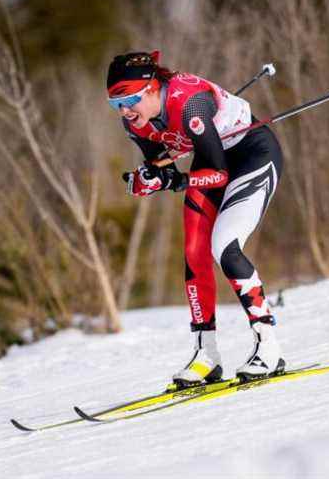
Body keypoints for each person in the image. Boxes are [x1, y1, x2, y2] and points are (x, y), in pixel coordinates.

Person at [106, 51, 285, 387]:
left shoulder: (189, 105)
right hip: (209, 162)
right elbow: (162, 167)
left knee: (225, 246)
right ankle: (207, 355)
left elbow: (216, 175)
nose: (125, 112)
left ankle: (269, 346)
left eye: (129, 101)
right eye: (116, 104)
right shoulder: (134, 121)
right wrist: (148, 181)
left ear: (149, 89)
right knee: (194, 251)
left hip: (251, 156)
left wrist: (173, 181)